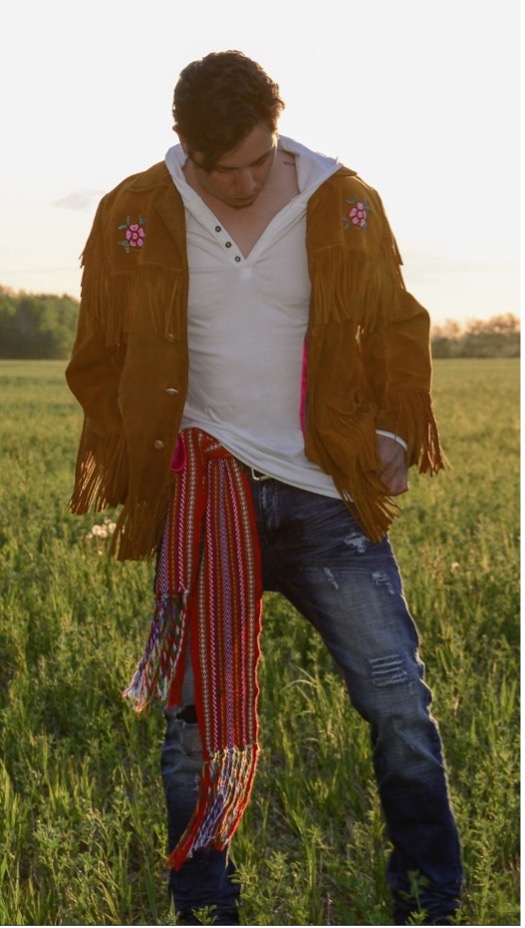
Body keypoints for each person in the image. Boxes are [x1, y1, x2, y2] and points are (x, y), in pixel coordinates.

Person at [66, 50, 463, 926]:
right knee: (190, 732)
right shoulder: (134, 213)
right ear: (185, 149)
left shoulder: (340, 199)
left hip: (324, 493)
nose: (244, 182)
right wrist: (144, 454)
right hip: (206, 497)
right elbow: (97, 353)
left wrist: (393, 431)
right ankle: (204, 903)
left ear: (276, 132)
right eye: (223, 169)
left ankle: (431, 895)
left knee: (398, 703)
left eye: (258, 159)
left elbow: (398, 322)